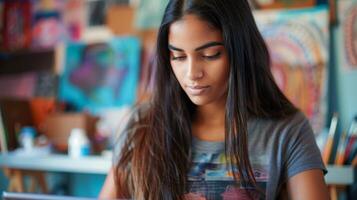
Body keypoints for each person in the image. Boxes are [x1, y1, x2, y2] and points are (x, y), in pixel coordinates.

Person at [99, 0, 329, 199]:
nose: (192, 73)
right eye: (178, 56)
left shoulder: (287, 131)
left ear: (240, 50)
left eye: (210, 55)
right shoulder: (143, 124)